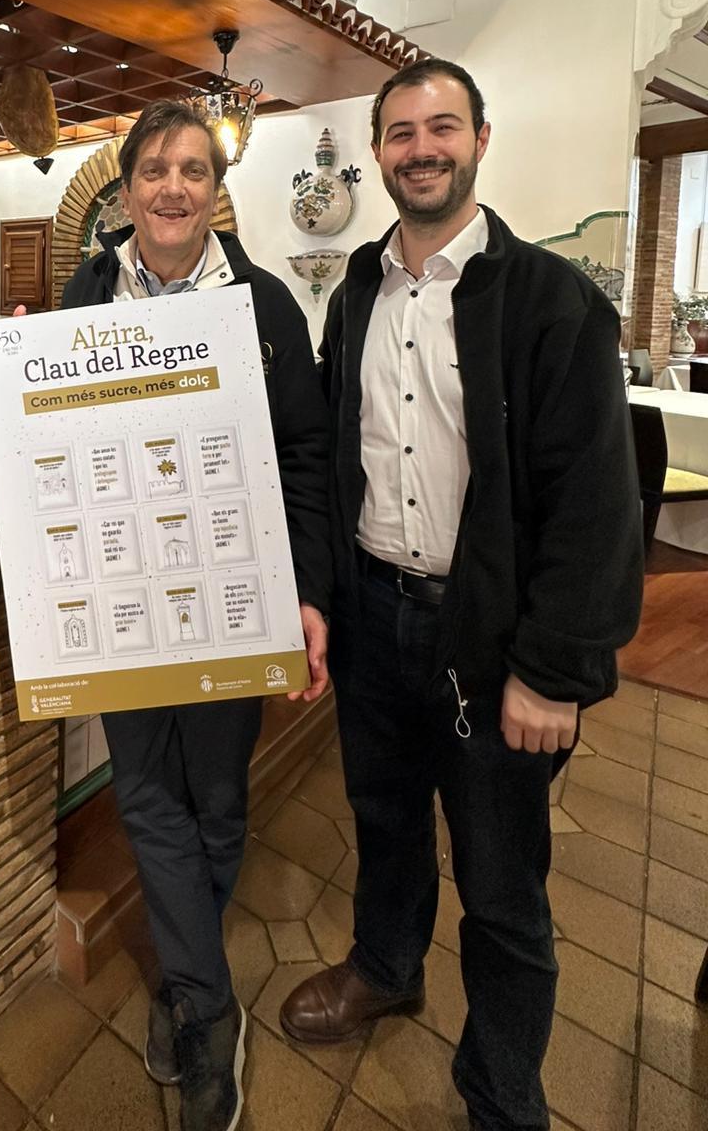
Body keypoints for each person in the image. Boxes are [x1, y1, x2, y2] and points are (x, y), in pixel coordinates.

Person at [279, 62, 643, 1130]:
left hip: (488, 635)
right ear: (377, 152)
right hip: (372, 613)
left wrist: (554, 670)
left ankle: (500, 1089)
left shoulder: (552, 301)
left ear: (481, 139)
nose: (421, 148)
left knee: (502, 881)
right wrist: (318, 595)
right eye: (400, 132)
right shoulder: (358, 287)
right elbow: (334, 450)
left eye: (442, 127)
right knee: (384, 821)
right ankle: (387, 967)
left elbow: (596, 502)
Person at [0, 100, 331, 1131]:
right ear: (126, 190)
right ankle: (208, 1008)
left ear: (216, 190)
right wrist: (0, 363)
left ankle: (183, 978)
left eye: (194, 170)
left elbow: (307, 458)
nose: (174, 187)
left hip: (232, 598)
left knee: (216, 798)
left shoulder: (265, 305)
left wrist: (310, 594)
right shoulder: (86, 289)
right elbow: (48, 431)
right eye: (155, 170)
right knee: (143, 794)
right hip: (120, 598)